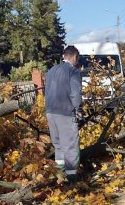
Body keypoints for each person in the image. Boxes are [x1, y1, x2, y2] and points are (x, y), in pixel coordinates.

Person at [45, 45, 83, 182]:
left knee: (59, 145)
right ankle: (72, 178)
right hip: (65, 112)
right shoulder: (73, 71)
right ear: (74, 57)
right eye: (77, 59)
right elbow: (75, 94)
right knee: (70, 145)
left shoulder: (51, 71)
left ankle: (60, 176)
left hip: (50, 112)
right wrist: (78, 110)